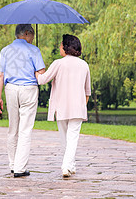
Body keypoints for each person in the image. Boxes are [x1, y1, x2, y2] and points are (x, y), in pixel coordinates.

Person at [35, 34, 91, 178]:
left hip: (61, 107)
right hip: (78, 107)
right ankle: (70, 165)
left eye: (60, 45)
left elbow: (42, 80)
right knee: (72, 138)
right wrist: (82, 105)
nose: (59, 48)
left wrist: (36, 70)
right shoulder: (84, 65)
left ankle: (66, 166)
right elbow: (87, 91)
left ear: (66, 47)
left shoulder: (58, 63)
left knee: (65, 139)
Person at [0, 24, 45, 178]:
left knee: (13, 129)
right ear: (26, 34)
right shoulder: (34, 50)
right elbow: (41, 72)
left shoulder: (5, 50)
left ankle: (12, 164)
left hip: (10, 89)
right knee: (25, 129)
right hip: (28, 89)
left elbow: (0, 75)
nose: (33, 39)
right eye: (33, 35)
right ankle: (20, 168)